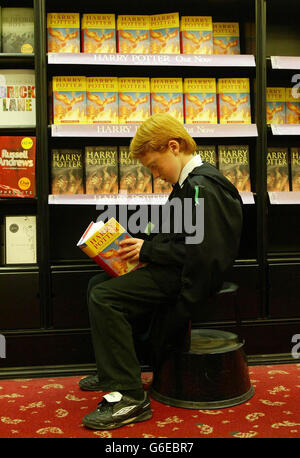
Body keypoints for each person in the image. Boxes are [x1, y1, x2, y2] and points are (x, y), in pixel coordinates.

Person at [80, 113, 243, 430]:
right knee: (96, 284)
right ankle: (113, 368)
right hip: (172, 267)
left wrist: (149, 250)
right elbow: (179, 234)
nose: (155, 174)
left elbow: (207, 255)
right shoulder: (187, 185)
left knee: (104, 296)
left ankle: (128, 398)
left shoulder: (203, 188)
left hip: (187, 278)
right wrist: (138, 245)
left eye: (155, 166)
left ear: (174, 146)